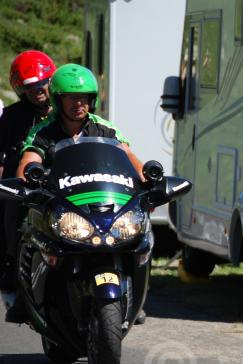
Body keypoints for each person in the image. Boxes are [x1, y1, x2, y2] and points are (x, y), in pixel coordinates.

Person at [7, 63, 145, 324]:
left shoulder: (103, 128)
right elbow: (30, 157)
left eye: (84, 98)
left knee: (140, 234)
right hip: (60, 204)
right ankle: (24, 293)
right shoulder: (44, 131)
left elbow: (127, 155)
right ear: (59, 100)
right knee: (25, 229)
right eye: (72, 98)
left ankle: (135, 294)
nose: (78, 104)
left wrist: (145, 176)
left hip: (98, 203)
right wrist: (28, 174)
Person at [0, 50, 56, 322]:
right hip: (24, 189)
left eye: (41, 83)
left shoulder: (69, 108)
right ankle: (20, 288)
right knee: (17, 224)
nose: (37, 91)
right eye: (28, 87)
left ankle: (128, 294)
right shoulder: (12, 117)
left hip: (66, 186)